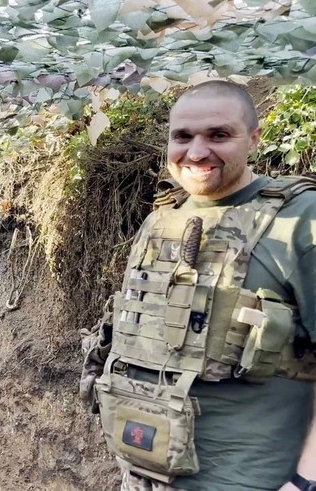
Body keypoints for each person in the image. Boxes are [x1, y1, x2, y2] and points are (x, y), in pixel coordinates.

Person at [80, 80, 316, 491]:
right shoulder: (162, 219)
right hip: (143, 474)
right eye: (183, 136)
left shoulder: (301, 220)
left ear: (254, 139)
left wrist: (304, 481)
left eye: (219, 135)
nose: (197, 151)